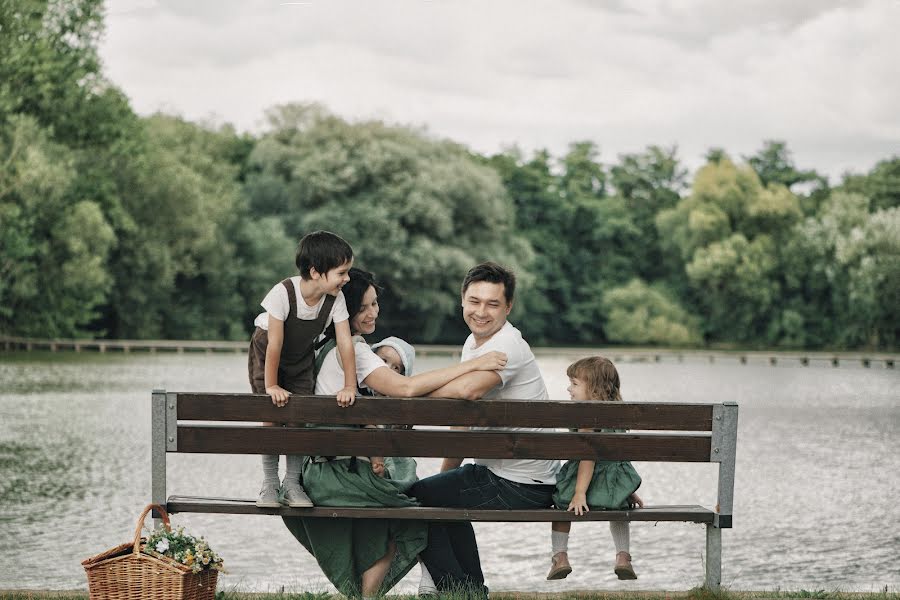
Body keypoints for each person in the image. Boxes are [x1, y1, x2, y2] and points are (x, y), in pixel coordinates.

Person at [282, 267, 507, 599]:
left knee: (405, 514)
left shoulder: (321, 347)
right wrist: (474, 364)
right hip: (339, 476)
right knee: (419, 512)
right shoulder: (355, 352)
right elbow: (406, 387)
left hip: (320, 471)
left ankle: (444, 590)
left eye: (375, 304)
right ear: (342, 311)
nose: (372, 313)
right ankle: (452, 590)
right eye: (363, 307)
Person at [408, 261, 560, 598]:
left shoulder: (508, 345)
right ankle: (469, 589)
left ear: (508, 307)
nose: (481, 312)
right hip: (510, 474)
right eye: (474, 301)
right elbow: (464, 419)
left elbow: (467, 392)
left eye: (493, 304)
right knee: (435, 494)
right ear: (462, 300)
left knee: (413, 496)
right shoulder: (473, 345)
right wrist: (444, 479)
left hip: (522, 481)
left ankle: (453, 589)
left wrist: (414, 389)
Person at [247, 230, 358, 509]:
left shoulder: (336, 299)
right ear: (316, 272)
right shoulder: (283, 292)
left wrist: (349, 386)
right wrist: (271, 385)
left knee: (299, 416)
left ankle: (292, 483)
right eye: (342, 272)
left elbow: (345, 342)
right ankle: (270, 483)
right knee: (272, 415)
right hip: (268, 354)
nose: (347, 279)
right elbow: (274, 343)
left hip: (300, 358)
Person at [546, 356, 644, 582]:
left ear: (595, 389)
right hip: (611, 486)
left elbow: (587, 457)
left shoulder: (587, 415)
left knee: (561, 503)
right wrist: (625, 489)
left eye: (575, 384)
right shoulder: (618, 412)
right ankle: (623, 556)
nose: (568, 389)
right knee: (619, 506)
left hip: (583, 484)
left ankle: (559, 556)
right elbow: (616, 460)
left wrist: (579, 493)